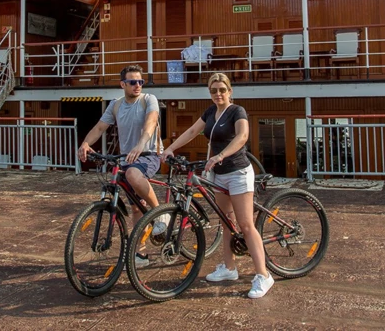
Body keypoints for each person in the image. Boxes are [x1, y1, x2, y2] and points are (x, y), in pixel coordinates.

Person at [160, 72, 273, 299]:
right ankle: (229, 268)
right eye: (214, 90)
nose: (218, 94)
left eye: (222, 90)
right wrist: (171, 148)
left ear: (230, 91)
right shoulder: (211, 112)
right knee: (226, 222)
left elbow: (241, 137)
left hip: (238, 172)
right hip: (218, 174)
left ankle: (263, 275)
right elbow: (193, 131)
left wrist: (220, 156)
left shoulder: (236, 111)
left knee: (245, 224)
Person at [78, 64, 167, 267]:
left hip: (148, 153)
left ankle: (160, 214)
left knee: (134, 176)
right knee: (136, 207)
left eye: (140, 82)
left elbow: (151, 122)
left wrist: (141, 144)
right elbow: (100, 127)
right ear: (122, 84)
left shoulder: (148, 99)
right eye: (132, 82)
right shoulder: (116, 105)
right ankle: (140, 254)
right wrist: (85, 143)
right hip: (128, 158)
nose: (137, 85)